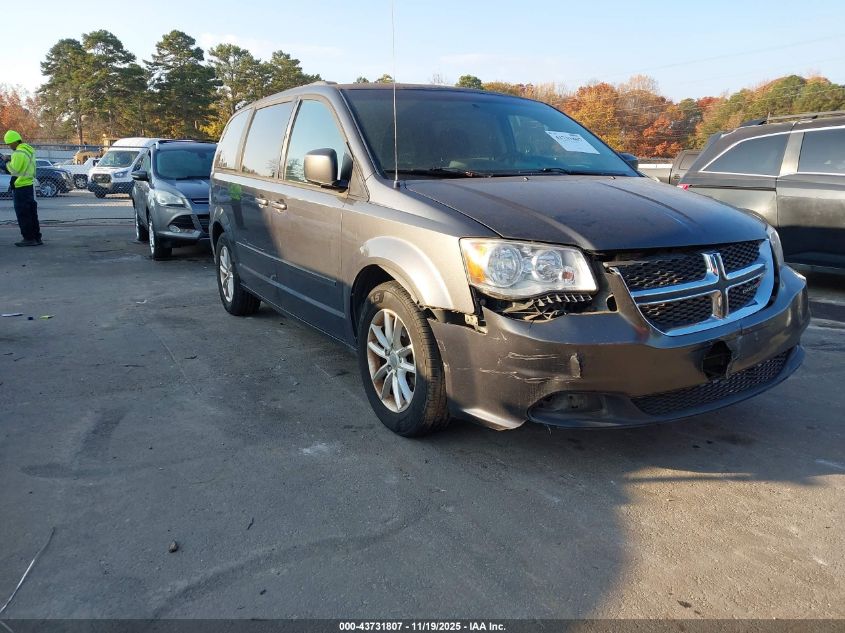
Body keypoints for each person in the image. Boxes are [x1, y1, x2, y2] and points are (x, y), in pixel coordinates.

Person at [3, 130, 42, 246]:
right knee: (31, 213)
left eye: (9, 144)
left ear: (14, 142)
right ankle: (37, 237)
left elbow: (14, 170)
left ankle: (28, 238)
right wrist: (10, 158)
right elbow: (23, 165)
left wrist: (4, 164)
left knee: (23, 214)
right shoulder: (28, 150)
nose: (9, 146)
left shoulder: (18, 153)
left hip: (20, 187)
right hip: (28, 185)